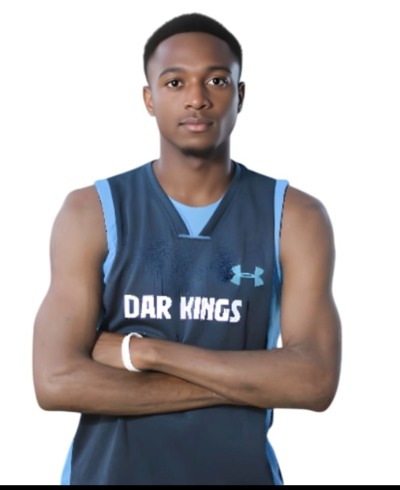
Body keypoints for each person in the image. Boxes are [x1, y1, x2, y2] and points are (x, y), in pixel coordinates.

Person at [32, 12, 342, 486]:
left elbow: (315, 381)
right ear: (149, 99)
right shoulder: (90, 211)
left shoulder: (294, 216)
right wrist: (250, 383)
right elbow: (55, 382)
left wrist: (147, 353)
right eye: (175, 82)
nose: (197, 98)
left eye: (217, 80)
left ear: (240, 95)